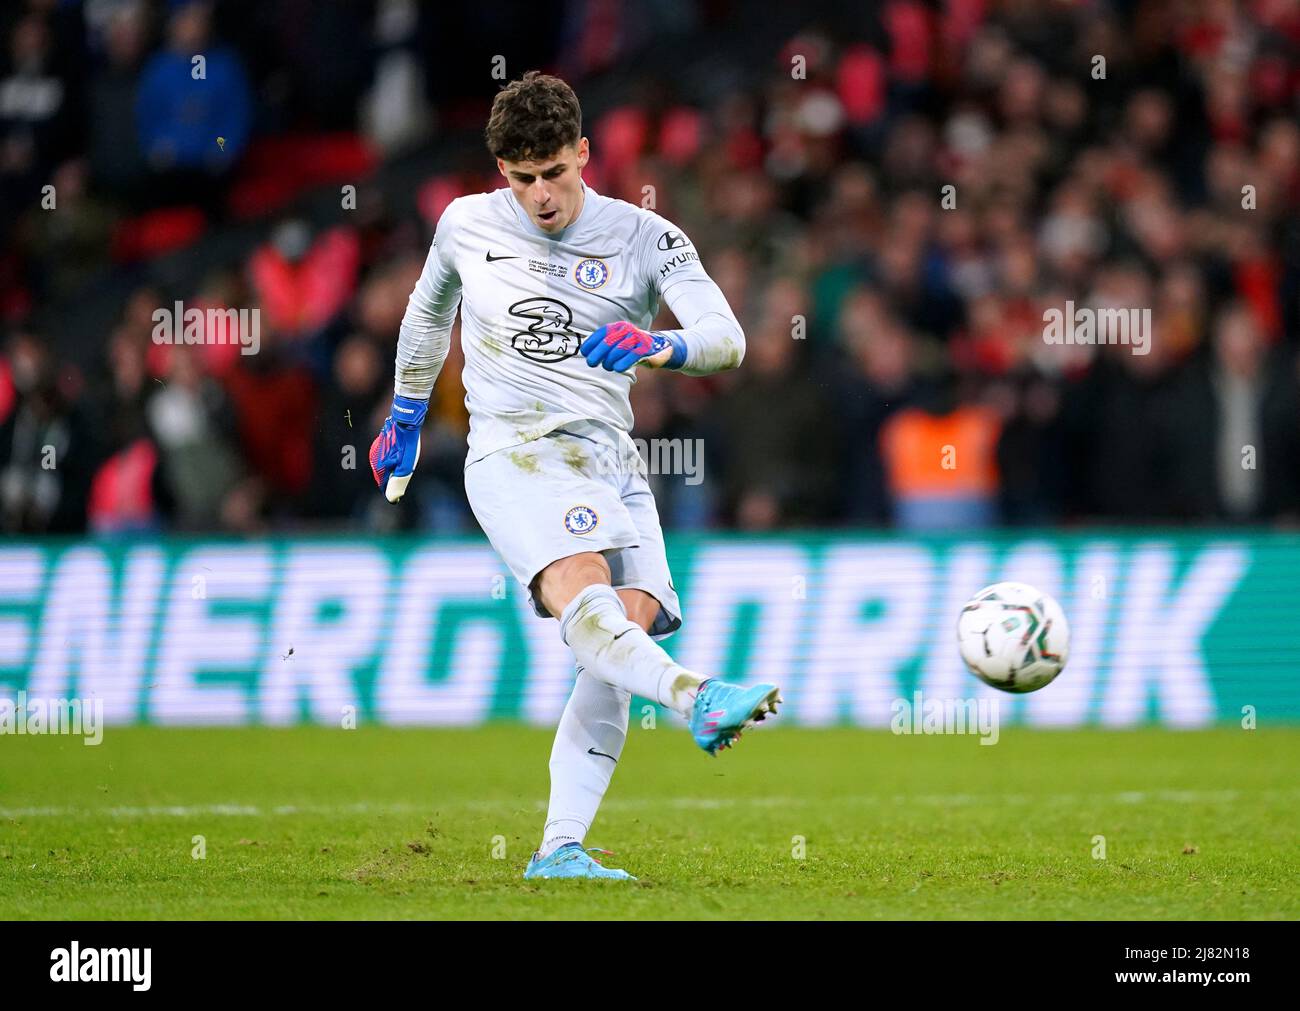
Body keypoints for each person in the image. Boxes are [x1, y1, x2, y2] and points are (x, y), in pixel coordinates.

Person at [369, 72, 781, 880]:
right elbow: (427, 314)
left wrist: (660, 346)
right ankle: (696, 696)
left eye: (555, 171)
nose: (542, 195)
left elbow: (726, 336)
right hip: (513, 454)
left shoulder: (644, 236)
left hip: (611, 457)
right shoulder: (465, 225)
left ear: (584, 154)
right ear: (501, 173)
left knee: (618, 637)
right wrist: (408, 416)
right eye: (522, 179)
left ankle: (559, 849)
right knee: (588, 592)